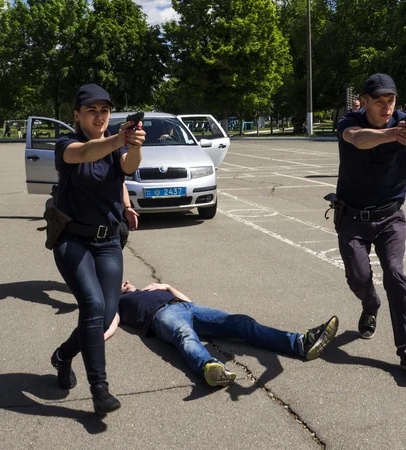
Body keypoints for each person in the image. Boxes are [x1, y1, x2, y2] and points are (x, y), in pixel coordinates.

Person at [48, 83, 145, 414]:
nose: (100, 116)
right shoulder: (67, 145)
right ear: (77, 115)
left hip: (108, 243)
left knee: (104, 318)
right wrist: (119, 138)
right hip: (73, 240)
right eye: (92, 111)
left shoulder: (115, 150)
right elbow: (88, 153)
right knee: (91, 304)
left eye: (105, 110)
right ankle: (100, 389)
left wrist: (134, 146)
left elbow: (127, 170)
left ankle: (62, 355)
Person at [332, 73, 406, 371]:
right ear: (364, 102)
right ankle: (370, 304)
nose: (387, 108)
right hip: (352, 217)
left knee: (395, 273)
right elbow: (359, 140)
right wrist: (392, 135)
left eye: (391, 101)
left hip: (390, 216)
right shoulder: (349, 122)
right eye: (379, 102)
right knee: (358, 278)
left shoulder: (404, 121)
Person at [105, 281, 339, 387]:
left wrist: (165, 286)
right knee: (185, 336)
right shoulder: (119, 302)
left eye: (126, 281)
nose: (125, 281)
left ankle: (300, 343)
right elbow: (112, 324)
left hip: (188, 308)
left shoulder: (152, 287)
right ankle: (210, 368)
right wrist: (93, 338)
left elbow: (189, 301)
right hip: (163, 316)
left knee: (241, 323)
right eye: (120, 283)